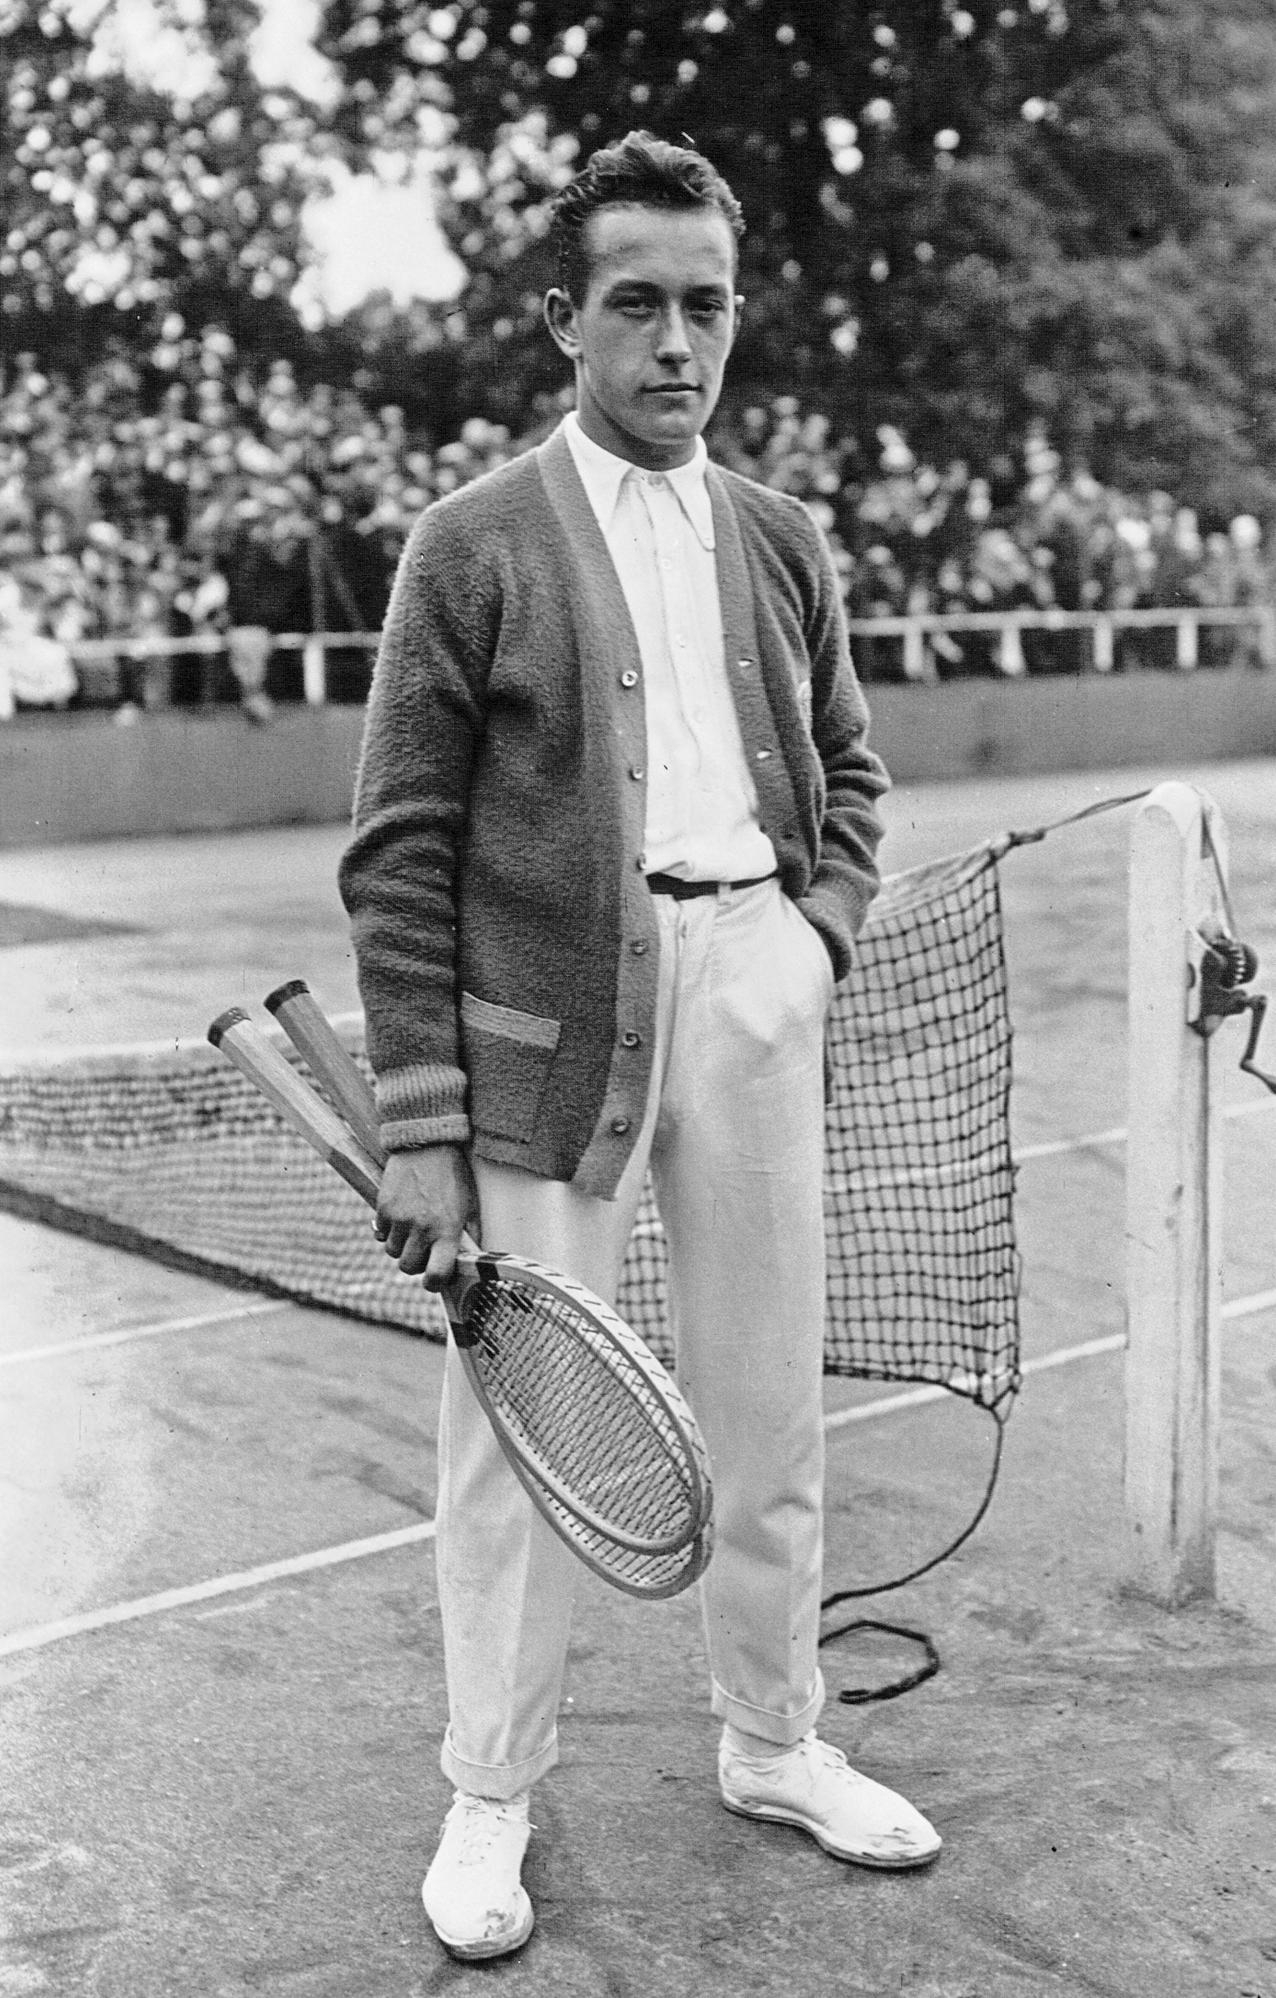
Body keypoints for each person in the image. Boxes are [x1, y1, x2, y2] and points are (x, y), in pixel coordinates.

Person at [339, 129, 941, 1963]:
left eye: (708, 306)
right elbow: (398, 852)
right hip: (545, 1037)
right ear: (563, 320)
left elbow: (849, 776)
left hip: (755, 984)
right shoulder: (470, 545)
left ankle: (774, 1738)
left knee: (767, 1400)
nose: (680, 343)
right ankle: (491, 1791)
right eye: (638, 306)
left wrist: (810, 946)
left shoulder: (785, 539)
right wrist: (422, 1125)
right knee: (522, 1436)